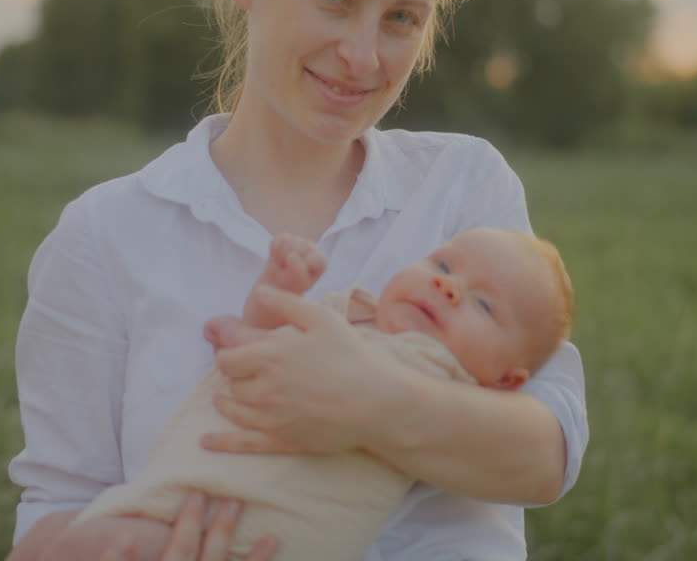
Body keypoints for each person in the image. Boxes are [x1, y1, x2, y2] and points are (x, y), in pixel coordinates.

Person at [7, 0, 589, 559]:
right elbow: (51, 519)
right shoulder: (105, 235)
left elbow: (548, 452)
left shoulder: (466, 186)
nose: (363, 56)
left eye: (402, 17)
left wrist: (365, 402)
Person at [71, 227, 575, 560]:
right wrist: (277, 293)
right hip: (178, 499)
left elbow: (543, 451)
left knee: (90, 547)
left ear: (507, 381)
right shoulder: (347, 313)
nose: (449, 288)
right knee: (64, 543)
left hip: (258, 533)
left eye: (484, 305)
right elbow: (246, 346)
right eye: (442, 267)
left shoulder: (450, 380)